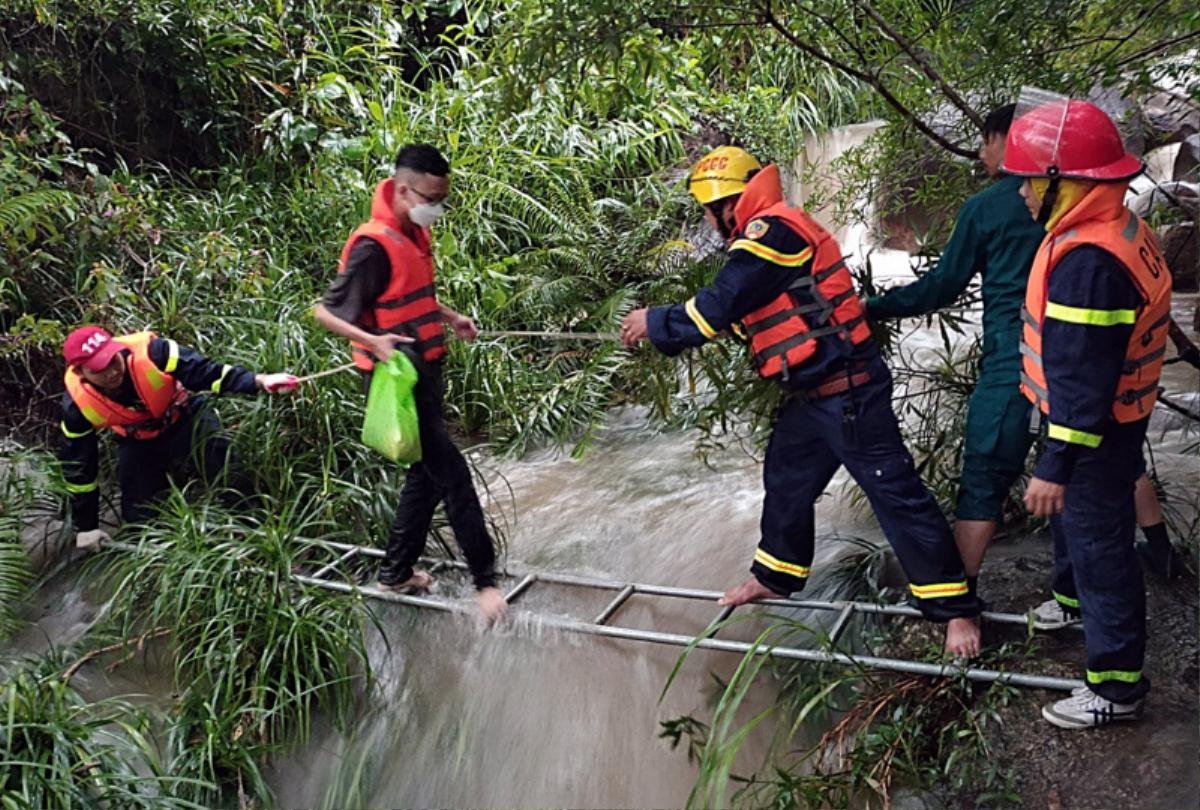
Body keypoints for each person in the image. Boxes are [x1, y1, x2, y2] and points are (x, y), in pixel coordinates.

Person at [620, 146, 985, 656]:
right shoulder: (764, 234)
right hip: (816, 395)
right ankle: (776, 575)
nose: (708, 220)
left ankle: (958, 612)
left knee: (896, 496)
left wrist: (653, 322)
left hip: (848, 390)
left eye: (709, 209)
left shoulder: (772, 230)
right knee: (787, 478)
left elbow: (722, 302)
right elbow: (751, 305)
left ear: (728, 202)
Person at [1004, 95, 1171, 728]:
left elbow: (1083, 385)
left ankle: (1116, 687)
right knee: (1082, 532)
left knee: (1103, 551)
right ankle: (1073, 604)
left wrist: (1054, 464)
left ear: (1064, 181)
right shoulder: (1112, 228)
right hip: (1114, 425)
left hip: (1096, 434)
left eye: (1028, 181)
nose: (1021, 194)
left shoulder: (1089, 264)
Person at [866, 104, 1045, 653]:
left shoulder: (986, 208)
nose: (981, 154)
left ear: (1004, 140)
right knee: (1098, 458)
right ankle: (1159, 555)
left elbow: (941, 287)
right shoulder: (1073, 199)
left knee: (985, 471)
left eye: (985, 142)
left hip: (1012, 360)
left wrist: (872, 306)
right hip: (1075, 355)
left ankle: (957, 598)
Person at [313, 143, 506, 624]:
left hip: (426, 368)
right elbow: (326, 313)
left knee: (425, 475)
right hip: (396, 381)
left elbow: (411, 294)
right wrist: (372, 342)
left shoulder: (412, 231)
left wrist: (453, 316)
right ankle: (486, 583)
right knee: (453, 474)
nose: (435, 208)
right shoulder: (371, 246)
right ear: (402, 189)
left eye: (442, 199)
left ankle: (396, 571)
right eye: (430, 197)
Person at [59, 326, 298, 549]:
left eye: (113, 361)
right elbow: (79, 467)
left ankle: (256, 528)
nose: (112, 372)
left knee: (228, 469)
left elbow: (207, 373)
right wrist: (87, 526)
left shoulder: (153, 352)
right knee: (139, 519)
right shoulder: (75, 407)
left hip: (184, 416)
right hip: (139, 441)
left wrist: (259, 381)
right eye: (100, 369)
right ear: (80, 372)